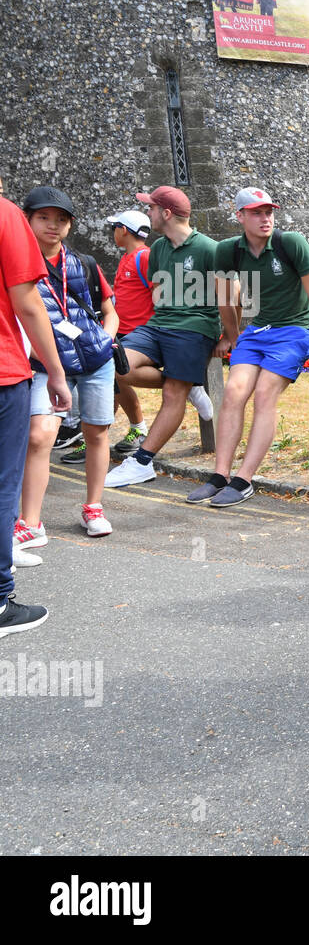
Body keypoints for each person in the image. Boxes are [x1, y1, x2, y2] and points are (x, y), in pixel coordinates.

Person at [185, 188, 309, 507]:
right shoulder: (227, 250)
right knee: (235, 392)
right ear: (240, 217)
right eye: (256, 213)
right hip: (257, 330)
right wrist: (233, 336)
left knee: (264, 394)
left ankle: (244, 479)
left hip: (295, 330)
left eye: (268, 212)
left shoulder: (291, 242)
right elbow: (225, 299)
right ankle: (220, 476)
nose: (265, 219)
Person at [106, 186, 228, 488]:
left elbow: (230, 293)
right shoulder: (159, 249)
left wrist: (229, 336)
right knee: (117, 363)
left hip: (195, 328)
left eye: (151, 208)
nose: (148, 214)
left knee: (172, 392)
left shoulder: (210, 249)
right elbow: (158, 289)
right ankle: (187, 383)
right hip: (159, 324)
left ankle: (142, 461)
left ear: (166, 213)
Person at [18, 187, 118, 544]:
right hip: (46, 365)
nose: (53, 226)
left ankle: (94, 506)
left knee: (97, 433)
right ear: (26, 219)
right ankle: (30, 522)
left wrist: (105, 338)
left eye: (61, 219)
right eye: (43, 217)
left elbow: (109, 310)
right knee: (39, 436)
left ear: (70, 225)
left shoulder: (84, 264)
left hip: (95, 361)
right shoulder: (14, 265)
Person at [1, 181, 70, 631]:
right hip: (4, 372)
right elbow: (28, 304)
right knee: (2, 486)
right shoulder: (5, 215)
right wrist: (57, 372)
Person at [62, 209, 153, 465]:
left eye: (115, 228)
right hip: (122, 332)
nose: (113, 232)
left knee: (112, 380)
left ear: (123, 230)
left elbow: (158, 294)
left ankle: (114, 434)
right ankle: (98, 438)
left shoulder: (143, 257)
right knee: (111, 384)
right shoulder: (128, 257)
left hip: (140, 335)